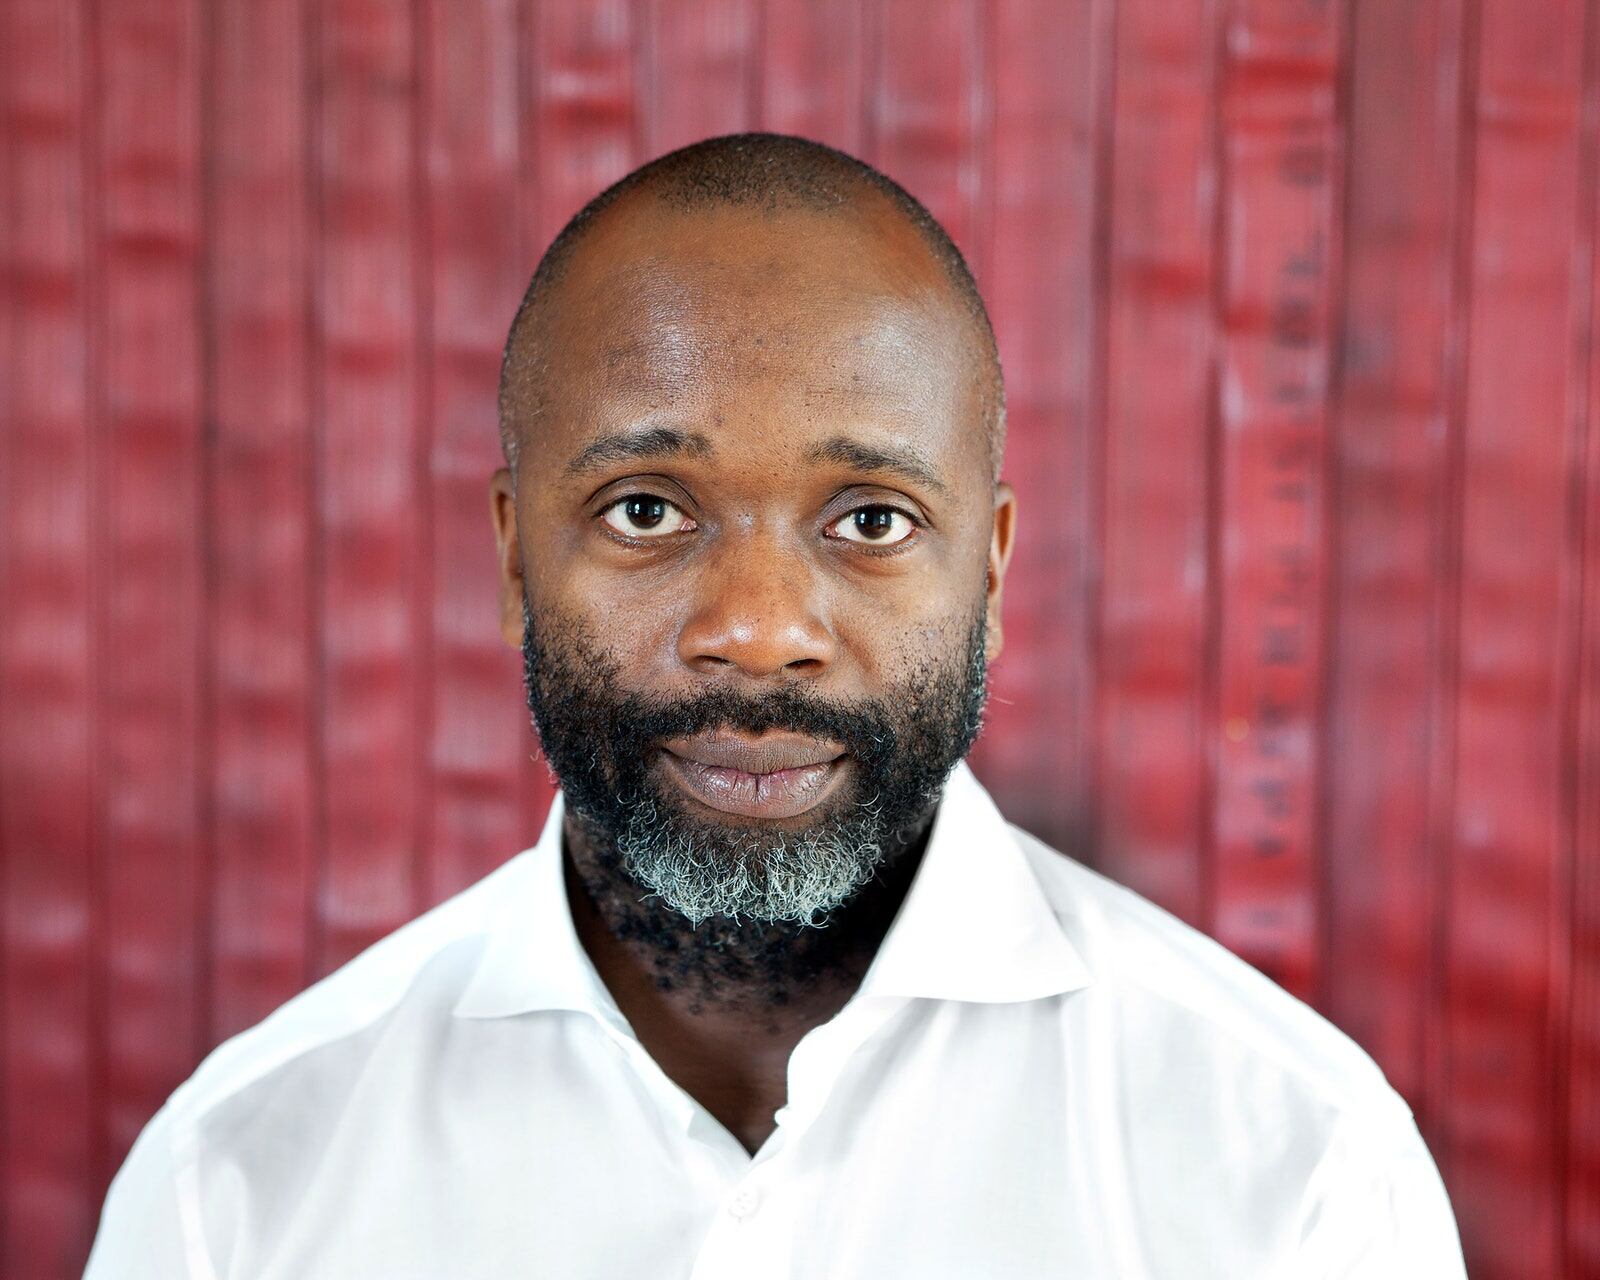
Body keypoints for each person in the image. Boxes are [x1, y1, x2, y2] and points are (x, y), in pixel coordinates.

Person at [85, 133, 1465, 1279]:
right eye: (645, 509)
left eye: (869, 518)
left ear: (987, 565)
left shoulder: (1291, 1167)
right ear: (514, 558)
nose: (755, 630)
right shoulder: (242, 1189)